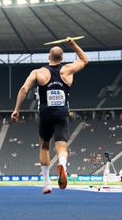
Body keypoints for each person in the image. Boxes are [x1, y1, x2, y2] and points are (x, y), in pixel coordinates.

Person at [11, 37, 89, 194]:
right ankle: (62, 163)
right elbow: (85, 60)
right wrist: (72, 44)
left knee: (44, 146)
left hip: (45, 114)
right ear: (62, 58)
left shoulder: (39, 72)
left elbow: (24, 89)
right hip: (61, 113)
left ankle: (46, 183)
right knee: (61, 147)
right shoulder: (67, 70)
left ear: (48, 57)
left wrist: (16, 109)